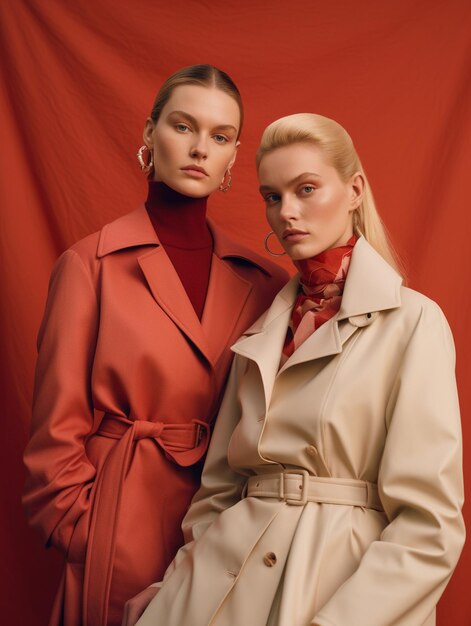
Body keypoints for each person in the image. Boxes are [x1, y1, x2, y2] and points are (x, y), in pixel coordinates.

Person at [127, 113, 465, 626]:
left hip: (322, 591)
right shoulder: (262, 330)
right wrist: (173, 585)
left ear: (354, 191)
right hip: (209, 595)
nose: (287, 212)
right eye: (272, 196)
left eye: (306, 189)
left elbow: (429, 529)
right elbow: (217, 493)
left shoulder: (412, 322)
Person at [22, 64, 288, 626]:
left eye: (219, 136)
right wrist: (85, 533)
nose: (199, 148)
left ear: (234, 157)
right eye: (182, 126)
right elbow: (53, 436)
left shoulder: (265, 281)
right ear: (149, 133)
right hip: (117, 524)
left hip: (223, 535)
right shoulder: (89, 265)